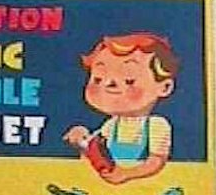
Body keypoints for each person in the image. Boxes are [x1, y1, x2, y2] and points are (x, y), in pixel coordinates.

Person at [64, 33, 179, 184]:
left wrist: (127, 174)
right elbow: (94, 154)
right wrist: (81, 140)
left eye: (129, 80)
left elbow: (156, 162)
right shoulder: (111, 125)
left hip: (144, 185)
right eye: (98, 79)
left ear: (165, 87)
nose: (109, 85)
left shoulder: (156, 125)